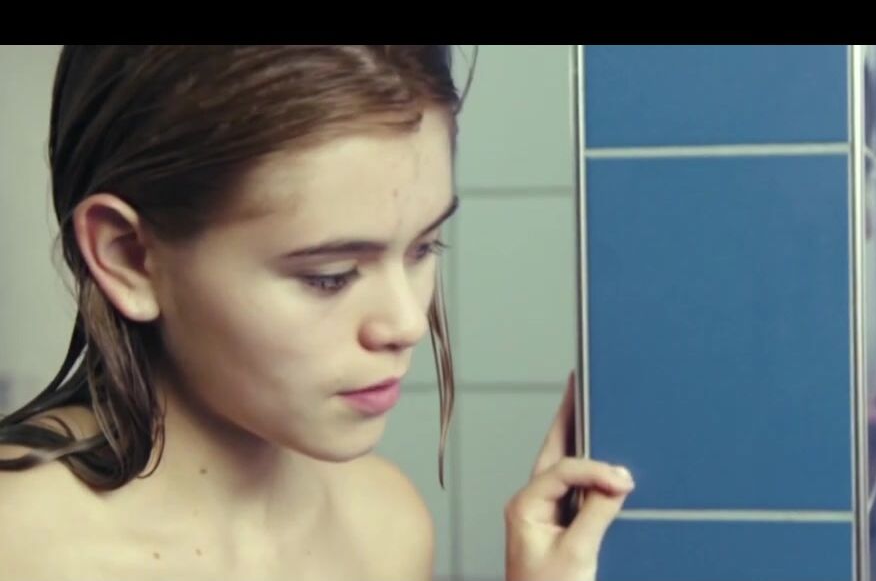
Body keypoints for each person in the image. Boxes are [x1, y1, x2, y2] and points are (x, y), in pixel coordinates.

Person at [0, 45, 633, 581]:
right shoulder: (18, 546)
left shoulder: (386, 529)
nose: (406, 323)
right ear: (131, 258)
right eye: (328, 276)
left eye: (423, 248)